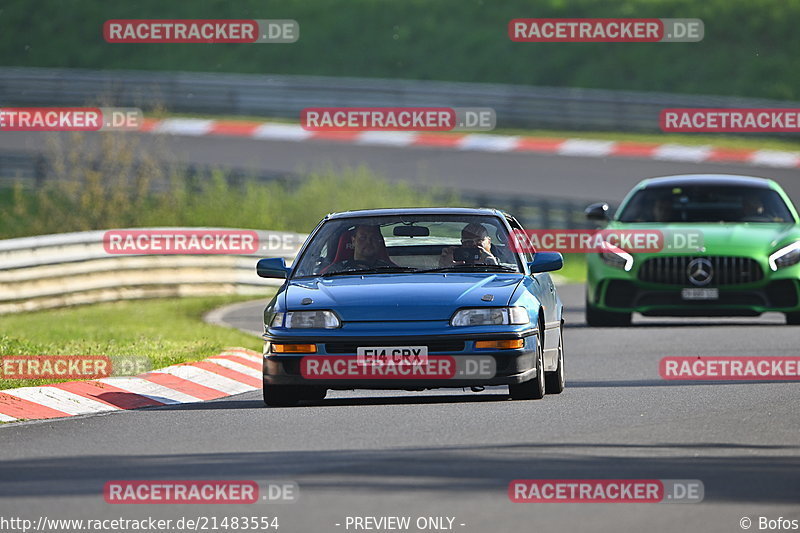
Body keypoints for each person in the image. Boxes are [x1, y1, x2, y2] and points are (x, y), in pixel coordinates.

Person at [328, 225, 397, 271]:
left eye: (374, 238)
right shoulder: (335, 271)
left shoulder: (391, 271)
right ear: (353, 241)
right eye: (363, 238)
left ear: (379, 242)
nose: (368, 242)